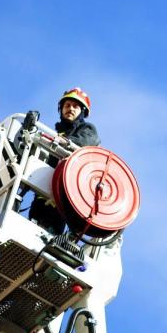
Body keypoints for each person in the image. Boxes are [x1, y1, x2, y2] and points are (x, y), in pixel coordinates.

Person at [29, 87, 101, 234]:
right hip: (43, 190)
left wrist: (64, 142)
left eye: (75, 106)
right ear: (61, 109)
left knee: (49, 231)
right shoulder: (58, 133)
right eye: (67, 105)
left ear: (82, 112)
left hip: (63, 190)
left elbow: (85, 142)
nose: (70, 109)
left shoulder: (87, 129)